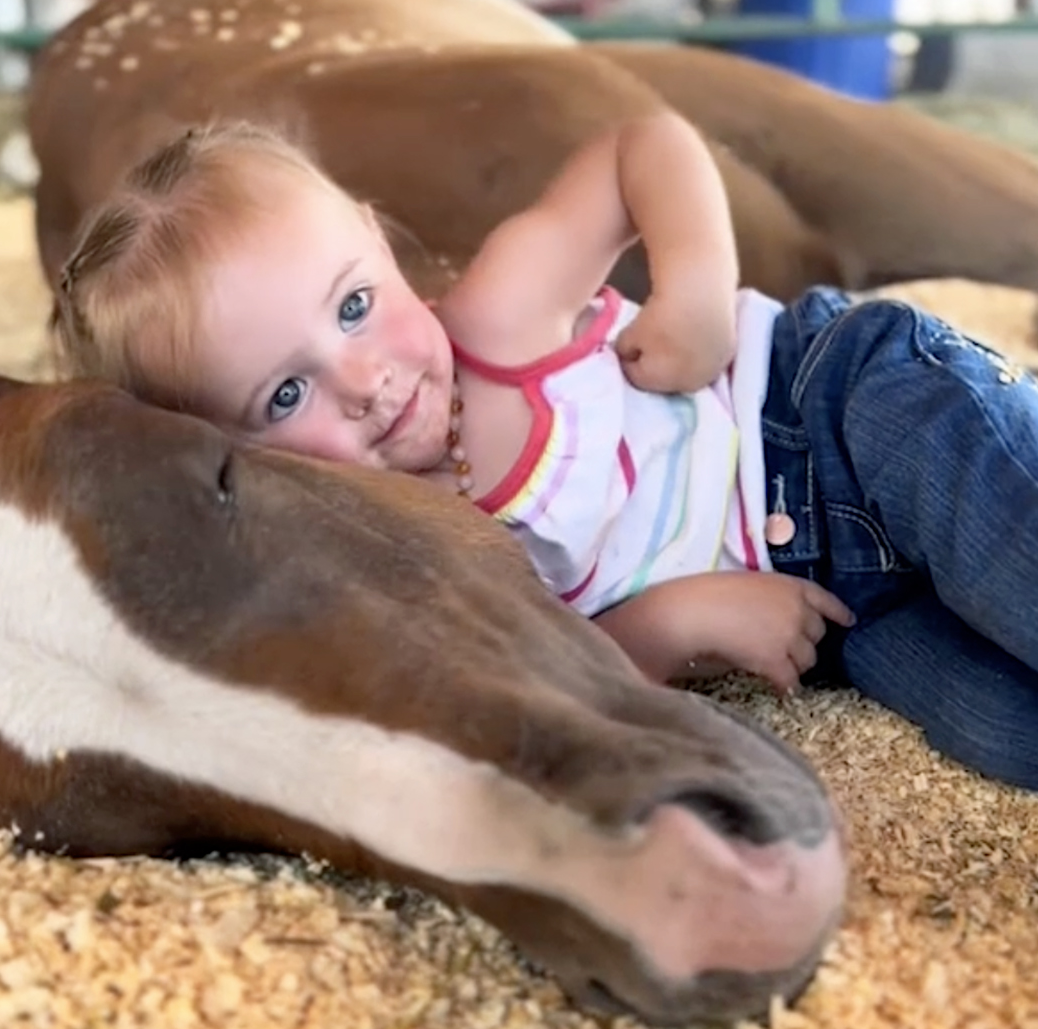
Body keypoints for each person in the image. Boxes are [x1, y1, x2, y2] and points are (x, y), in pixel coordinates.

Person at [51, 115, 1038, 789]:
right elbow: (548, 680)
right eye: (285, 391)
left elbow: (641, 146)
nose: (363, 379)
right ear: (230, 451)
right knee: (998, 725)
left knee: (1017, 560)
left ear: (372, 233)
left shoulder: (501, 314)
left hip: (837, 404)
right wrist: (669, 620)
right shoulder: (399, 558)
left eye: (354, 304)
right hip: (841, 610)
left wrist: (694, 284)